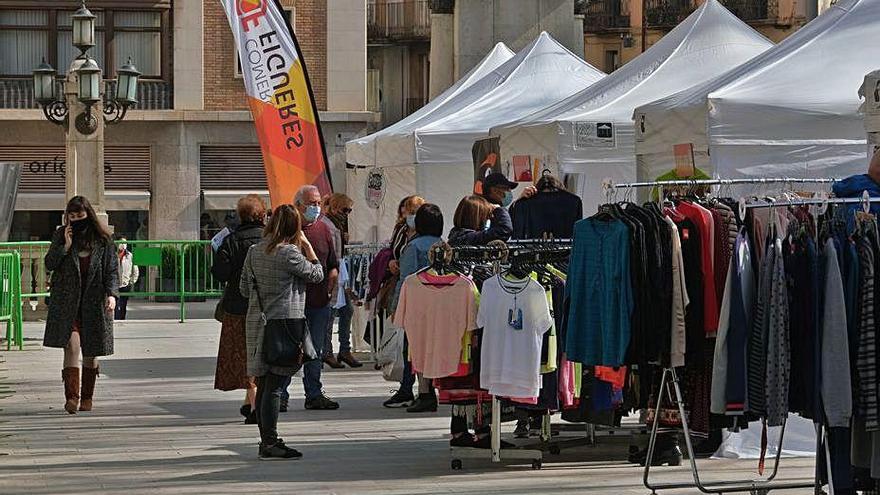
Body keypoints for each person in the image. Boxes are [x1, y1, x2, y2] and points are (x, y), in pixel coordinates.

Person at [240, 204, 324, 460]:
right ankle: (271, 442)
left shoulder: (254, 251)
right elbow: (317, 275)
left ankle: (266, 440)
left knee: (265, 383)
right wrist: (310, 250)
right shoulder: (289, 253)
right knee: (276, 384)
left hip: (258, 323)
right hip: (284, 325)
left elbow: (244, 289)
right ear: (294, 228)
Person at [44, 196, 119, 414]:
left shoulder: (103, 240)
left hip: (95, 304)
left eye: (80, 216)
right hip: (67, 304)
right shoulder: (61, 235)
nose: (76, 220)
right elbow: (49, 264)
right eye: (72, 216)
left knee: (91, 353)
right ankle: (71, 397)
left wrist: (112, 295)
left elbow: (111, 271)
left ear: (89, 215)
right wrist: (65, 247)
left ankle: (87, 397)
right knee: (71, 346)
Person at [279, 185, 341, 411]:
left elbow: (333, 262)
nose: (316, 208)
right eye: (311, 203)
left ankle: (313, 393)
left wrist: (333, 278)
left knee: (315, 350)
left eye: (318, 203)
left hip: (318, 301)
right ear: (297, 206)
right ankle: (280, 395)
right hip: (292, 303)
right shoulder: (286, 230)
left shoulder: (324, 229)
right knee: (288, 351)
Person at [383, 203, 444, 412]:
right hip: (440, 304)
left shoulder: (414, 246)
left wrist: (395, 306)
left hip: (418, 305)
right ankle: (432, 390)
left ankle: (425, 392)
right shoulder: (442, 245)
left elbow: (405, 279)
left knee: (415, 350)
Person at [211, 195, 267, 424]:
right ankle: (251, 401)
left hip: (237, 306)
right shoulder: (269, 240)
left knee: (243, 354)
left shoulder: (231, 241)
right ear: (263, 215)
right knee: (261, 353)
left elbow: (220, 273)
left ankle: (253, 405)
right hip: (266, 306)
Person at [321, 193, 362, 369]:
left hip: (339, 275)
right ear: (335, 207)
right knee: (330, 315)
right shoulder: (328, 225)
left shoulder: (336, 224)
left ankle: (344, 350)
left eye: (350, 210)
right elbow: (334, 255)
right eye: (345, 209)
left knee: (347, 311)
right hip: (333, 275)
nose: (347, 213)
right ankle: (327, 351)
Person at [114, 237, 138, 320]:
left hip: (125, 284)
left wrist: (132, 281)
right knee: (116, 304)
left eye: (125, 243)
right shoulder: (113, 255)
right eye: (121, 242)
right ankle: (116, 319)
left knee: (123, 304)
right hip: (115, 284)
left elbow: (135, 270)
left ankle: (122, 318)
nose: (123, 245)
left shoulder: (130, 256)